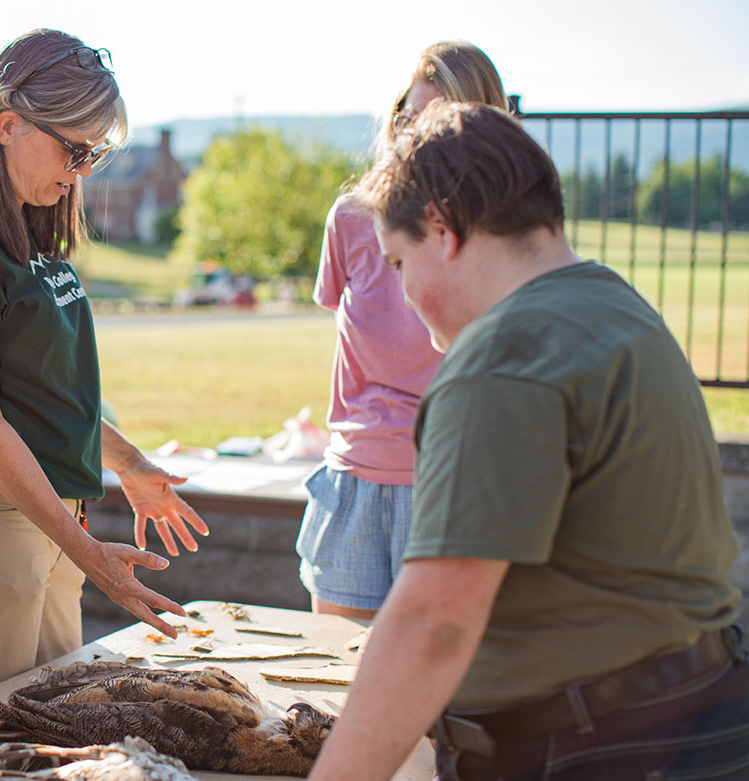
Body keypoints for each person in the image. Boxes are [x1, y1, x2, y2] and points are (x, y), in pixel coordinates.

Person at [310, 101, 749, 780]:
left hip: (593, 747)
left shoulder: (501, 358)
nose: (405, 292)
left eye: (398, 264)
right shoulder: (618, 307)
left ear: (440, 226)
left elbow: (435, 622)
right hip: (694, 714)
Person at [0, 28, 209, 699]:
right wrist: (93, 557)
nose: (85, 169)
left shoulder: (28, 216)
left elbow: (40, 392)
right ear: (8, 125)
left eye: (95, 151)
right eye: (74, 147)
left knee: (53, 741)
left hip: (39, 516)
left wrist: (128, 462)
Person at [297, 42, 509, 620]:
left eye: (436, 123)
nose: (413, 136)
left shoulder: (503, 234)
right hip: (355, 484)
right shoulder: (350, 219)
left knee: (446, 693)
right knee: (334, 683)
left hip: (452, 484)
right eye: (406, 117)